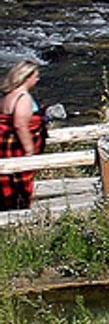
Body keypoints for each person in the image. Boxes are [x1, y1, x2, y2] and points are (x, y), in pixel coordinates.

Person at [0, 60, 47, 211]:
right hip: (17, 147)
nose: (38, 79)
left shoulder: (7, 95)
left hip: (6, 144)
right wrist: (29, 151)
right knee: (19, 180)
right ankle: (19, 209)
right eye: (36, 76)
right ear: (26, 77)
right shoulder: (23, 98)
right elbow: (20, 125)